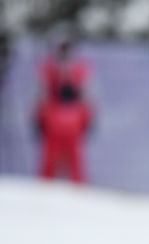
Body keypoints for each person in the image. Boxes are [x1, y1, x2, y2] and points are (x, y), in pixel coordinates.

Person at [34, 37, 92, 183]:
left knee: (75, 161)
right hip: (53, 115)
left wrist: (87, 118)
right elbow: (41, 93)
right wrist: (38, 117)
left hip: (73, 116)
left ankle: (78, 193)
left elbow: (87, 95)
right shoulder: (48, 68)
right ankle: (43, 195)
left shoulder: (80, 69)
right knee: (50, 160)